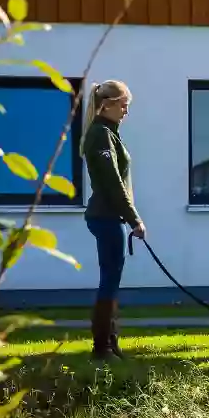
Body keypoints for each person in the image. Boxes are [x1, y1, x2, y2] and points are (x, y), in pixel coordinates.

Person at [81, 80, 145, 361]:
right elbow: (113, 182)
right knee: (109, 280)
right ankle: (102, 347)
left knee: (112, 279)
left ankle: (110, 342)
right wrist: (135, 220)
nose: (126, 111)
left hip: (110, 217)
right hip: (106, 217)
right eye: (123, 105)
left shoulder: (108, 133)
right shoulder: (101, 135)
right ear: (107, 104)